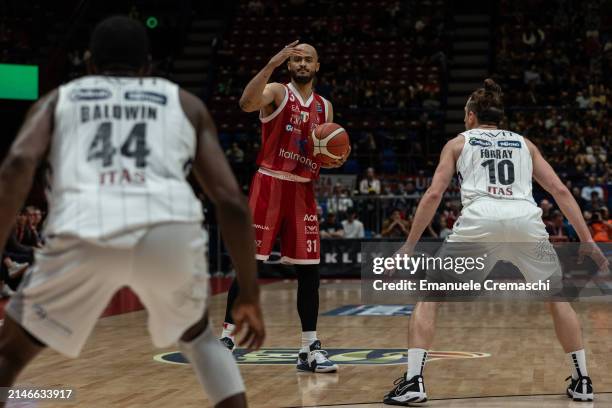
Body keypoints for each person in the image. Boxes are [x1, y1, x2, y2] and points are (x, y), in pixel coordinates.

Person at [0, 16, 265, 408]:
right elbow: (231, 202)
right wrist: (250, 293)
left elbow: (18, 163)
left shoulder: (60, 99)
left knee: (10, 354)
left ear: (90, 65)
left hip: (83, 229)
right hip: (169, 230)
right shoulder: (184, 103)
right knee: (200, 339)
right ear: (148, 68)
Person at [383, 79, 608, 405]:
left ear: (471, 115)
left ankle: (414, 381)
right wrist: (586, 239)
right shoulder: (525, 144)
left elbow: (434, 194)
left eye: (464, 114)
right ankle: (583, 380)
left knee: (430, 297)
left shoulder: (458, 143)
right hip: (525, 221)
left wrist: (409, 244)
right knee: (558, 299)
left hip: (480, 221)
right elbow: (559, 191)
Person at [219, 40, 349, 373]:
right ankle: (226, 338)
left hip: (303, 189)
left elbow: (324, 149)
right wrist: (270, 64)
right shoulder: (277, 90)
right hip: (270, 182)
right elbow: (247, 104)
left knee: (310, 272)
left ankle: (309, 349)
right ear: (289, 65)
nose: (302, 64)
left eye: (308, 60)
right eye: (297, 59)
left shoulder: (325, 106)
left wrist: (331, 160)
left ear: (317, 66)